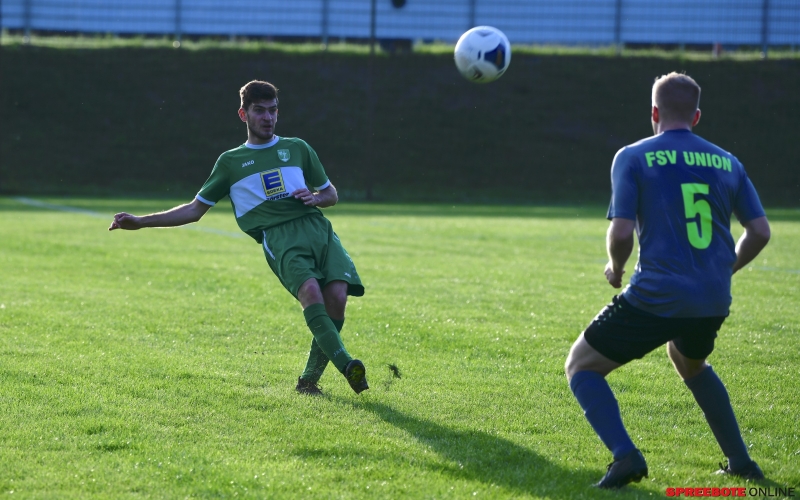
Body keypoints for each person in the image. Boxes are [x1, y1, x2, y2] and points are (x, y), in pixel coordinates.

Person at [564, 72, 771, 488]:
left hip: (657, 295)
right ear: (696, 115)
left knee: (581, 367)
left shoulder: (633, 156)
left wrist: (616, 268)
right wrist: (723, 269)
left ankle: (626, 457)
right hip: (712, 298)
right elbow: (761, 231)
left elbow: (621, 232)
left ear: (654, 113)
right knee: (690, 362)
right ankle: (741, 462)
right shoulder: (728, 161)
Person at [109, 80, 368, 396]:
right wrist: (140, 222)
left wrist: (316, 197)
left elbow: (330, 194)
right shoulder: (230, 162)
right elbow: (194, 210)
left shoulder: (297, 148)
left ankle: (308, 382)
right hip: (280, 237)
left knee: (337, 299)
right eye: (259, 111)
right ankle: (347, 365)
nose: (268, 118)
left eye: (272, 110)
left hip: (318, 229)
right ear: (243, 115)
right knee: (311, 292)